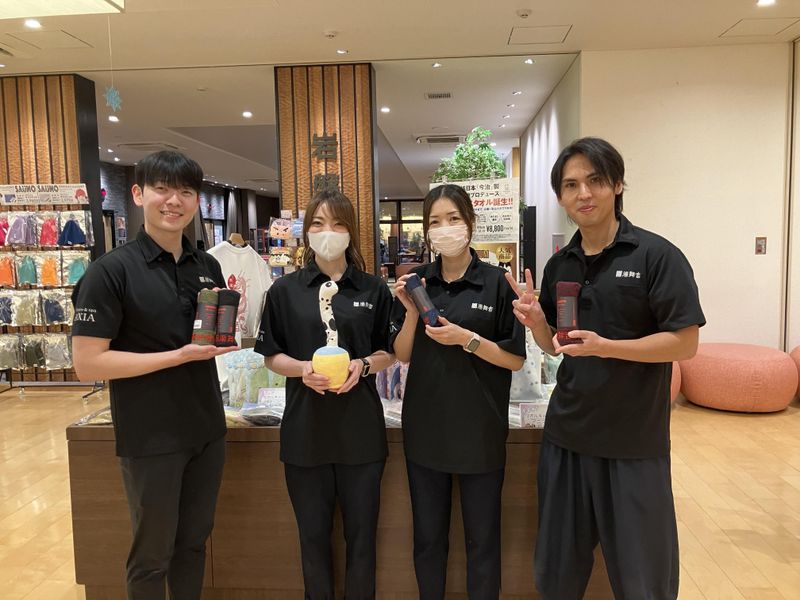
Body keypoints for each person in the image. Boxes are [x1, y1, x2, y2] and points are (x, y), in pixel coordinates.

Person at [506, 137, 706, 600]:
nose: (584, 193)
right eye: (570, 185)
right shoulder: (560, 264)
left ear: (617, 184)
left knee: (643, 581)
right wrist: (538, 323)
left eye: (595, 180)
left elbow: (686, 342)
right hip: (567, 438)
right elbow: (558, 346)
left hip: (634, 444)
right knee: (557, 575)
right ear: (560, 197)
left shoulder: (656, 255)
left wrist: (608, 347)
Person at [71, 150, 236, 600]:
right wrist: (177, 356)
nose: (174, 201)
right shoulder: (110, 272)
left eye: (185, 191)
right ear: (139, 194)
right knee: (151, 555)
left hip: (206, 428)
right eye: (162, 189)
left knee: (193, 544)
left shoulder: (207, 266)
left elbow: (207, 340)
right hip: (150, 435)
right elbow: (88, 363)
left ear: (197, 200)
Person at [254, 189, 395, 600]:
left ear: (351, 231)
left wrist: (362, 365)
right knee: (312, 541)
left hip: (361, 434)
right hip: (305, 434)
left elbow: (389, 352)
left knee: (362, 541)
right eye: (318, 223)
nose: (327, 232)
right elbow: (271, 355)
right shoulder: (284, 291)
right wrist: (302, 369)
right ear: (306, 232)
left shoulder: (373, 289)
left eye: (337, 223)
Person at [391, 184, 526, 600]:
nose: (444, 228)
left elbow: (514, 359)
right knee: (428, 540)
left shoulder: (497, 283)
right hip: (425, 430)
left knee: (482, 541)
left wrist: (467, 339)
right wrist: (410, 313)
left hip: (481, 431)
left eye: (453, 219)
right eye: (435, 221)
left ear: (470, 223)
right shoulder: (417, 283)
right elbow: (403, 354)